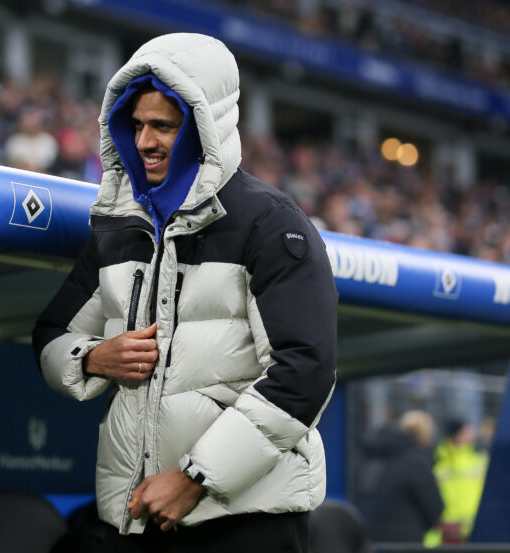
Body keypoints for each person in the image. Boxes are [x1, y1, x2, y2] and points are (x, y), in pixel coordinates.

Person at [33, 33, 338, 552]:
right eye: (137, 125)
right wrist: (93, 359)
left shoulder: (270, 222)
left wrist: (196, 478)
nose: (147, 141)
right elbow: (50, 336)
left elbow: (305, 370)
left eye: (164, 126)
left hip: (246, 523)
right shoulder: (118, 227)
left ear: (205, 126)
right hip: (144, 518)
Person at [354, 410, 443, 543]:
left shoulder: (372, 458)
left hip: (371, 539)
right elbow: (435, 507)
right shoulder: (416, 463)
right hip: (406, 541)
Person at [432, 419, 488, 543]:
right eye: (466, 431)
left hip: (476, 527)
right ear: (456, 434)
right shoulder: (438, 462)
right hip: (447, 529)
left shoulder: (480, 460)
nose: (471, 434)